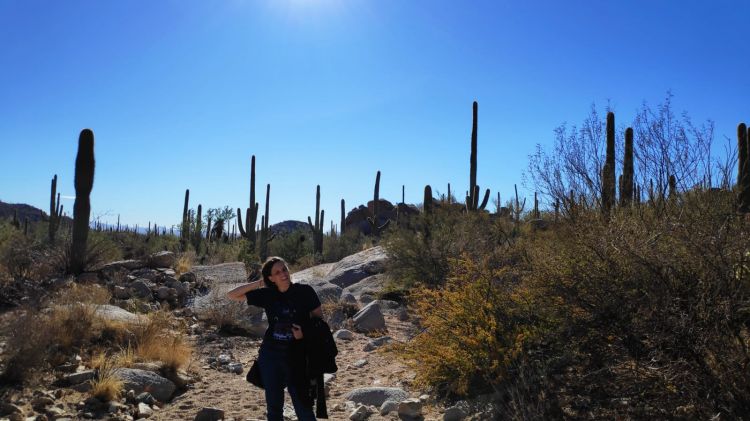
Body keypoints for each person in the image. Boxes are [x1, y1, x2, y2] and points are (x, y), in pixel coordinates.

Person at [227, 256, 322, 421]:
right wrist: (259, 283)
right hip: (270, 356)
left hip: (297, 355)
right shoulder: (268, 295)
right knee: (274, 409)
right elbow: (232, 295)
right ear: (271, 278)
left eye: (284, 269)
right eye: (277, 272)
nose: (283, 274)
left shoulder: (305, 292)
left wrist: (304, 332)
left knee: (304, 408)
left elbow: (319, 320)